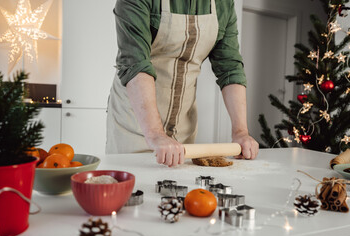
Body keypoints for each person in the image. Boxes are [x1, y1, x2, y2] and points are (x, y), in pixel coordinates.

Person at [106, 0, 259, 167]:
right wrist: (156, 134)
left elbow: (230, 69)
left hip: (183, 128)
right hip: (135, 123)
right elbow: (135, 64)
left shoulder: (223, 4)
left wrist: (241, 132)